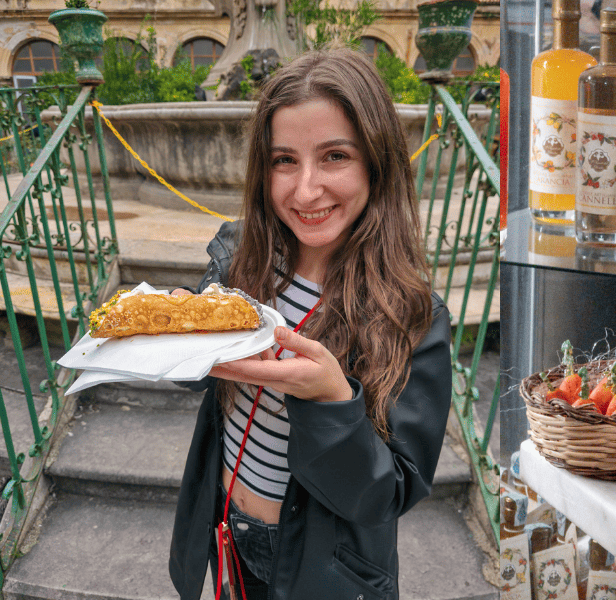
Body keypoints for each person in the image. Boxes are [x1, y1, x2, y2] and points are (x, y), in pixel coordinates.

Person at [167, 48, 453, 599]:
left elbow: (391, 492)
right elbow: (200, 377)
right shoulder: (239, 255)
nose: (305, 190)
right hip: (226, 529)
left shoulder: (412, 316)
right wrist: (184, 337)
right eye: (284, 161)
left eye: (335, 156)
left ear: (377, 161)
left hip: (328, 567)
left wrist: (332, 402)